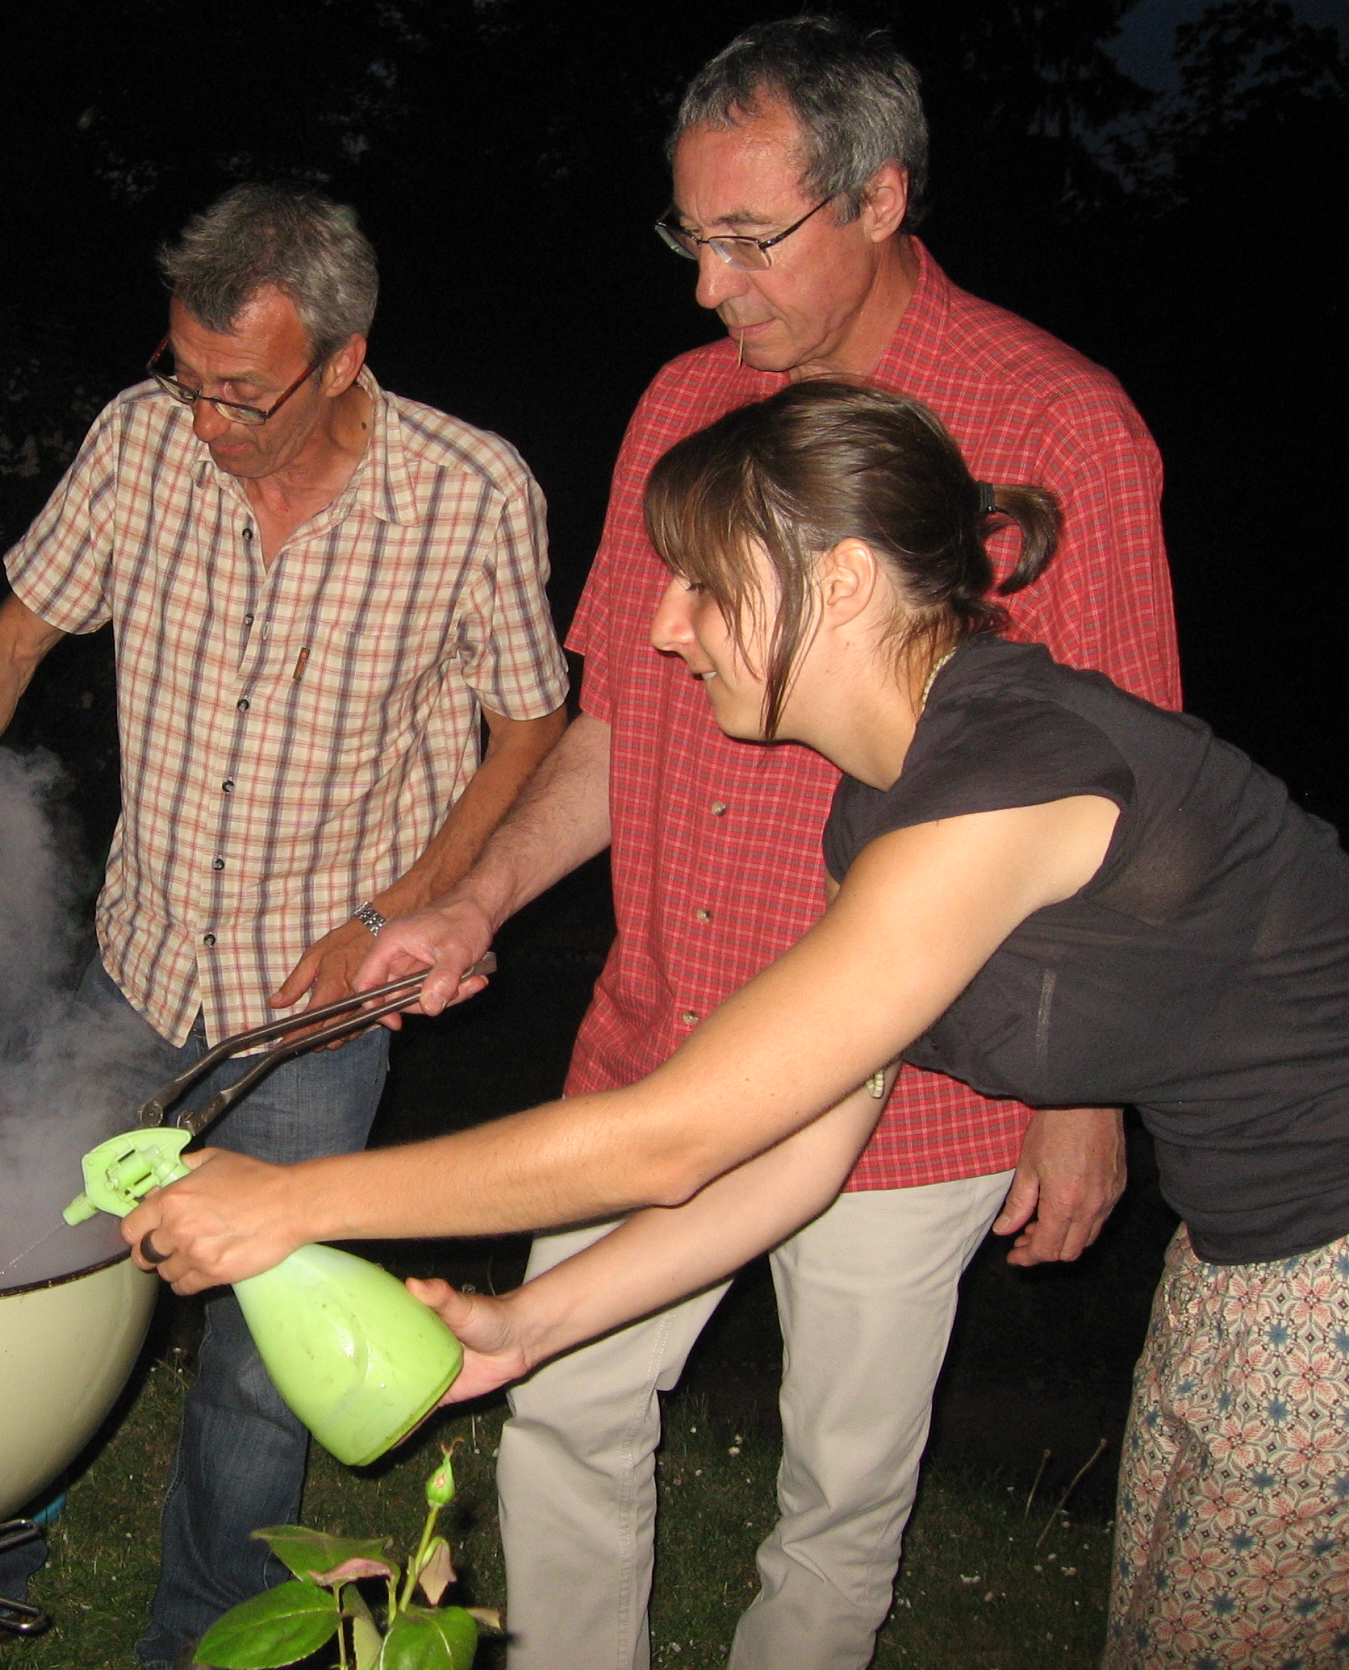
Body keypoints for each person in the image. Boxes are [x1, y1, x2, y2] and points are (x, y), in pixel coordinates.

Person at [123, 378, 1349, 1669]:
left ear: (848, 581)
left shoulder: (1005, 778)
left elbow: (672, 1138)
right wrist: (532, 1326)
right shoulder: (891, 810)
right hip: (1245, 1260)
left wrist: (293, 1204)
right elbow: (793, 1158)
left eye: (704, 585)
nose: (664, 628)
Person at [345, 16, 1178, 1670]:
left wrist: (1082, 1095)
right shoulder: (685, 403)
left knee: (839, 1491)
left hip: (923, 1078)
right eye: (691, 235)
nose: (709, 287)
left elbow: (1129, 804)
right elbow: (616, 723)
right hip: (660, 1032)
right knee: (562, 1397)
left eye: (748, 237)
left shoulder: (1058, 426)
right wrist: (478, 897)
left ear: (879, 196)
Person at [0, 183, 569, 1668]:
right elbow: (16, 636)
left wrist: (397, 913)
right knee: (40, 1272)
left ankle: (201, 1643)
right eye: (184, 376)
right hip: (138, 963)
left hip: (315, 1008)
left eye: (239, 393)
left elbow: (527, 729)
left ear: (346, 360)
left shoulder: (471, 492)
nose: (202, 419)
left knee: (252, 1366)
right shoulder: (140, 441)